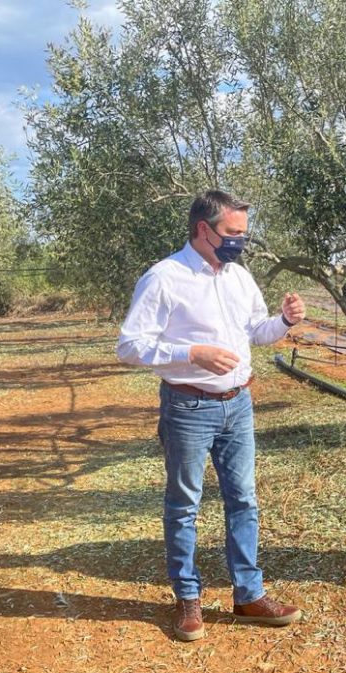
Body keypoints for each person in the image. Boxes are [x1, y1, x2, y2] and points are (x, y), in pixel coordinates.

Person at [117, 190, 306, 641]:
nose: (240, 242)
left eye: (244, 234)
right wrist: (192, 352)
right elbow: (129, 346)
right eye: (233, 233)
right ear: (204, 229)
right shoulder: (164, 278)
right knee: (184, 506)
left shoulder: (239, 277)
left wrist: (284, 321)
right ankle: (188, 598)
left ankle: (248, 595)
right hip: (188, 406)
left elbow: (257, 332)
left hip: (238, 404)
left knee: (244, 499)